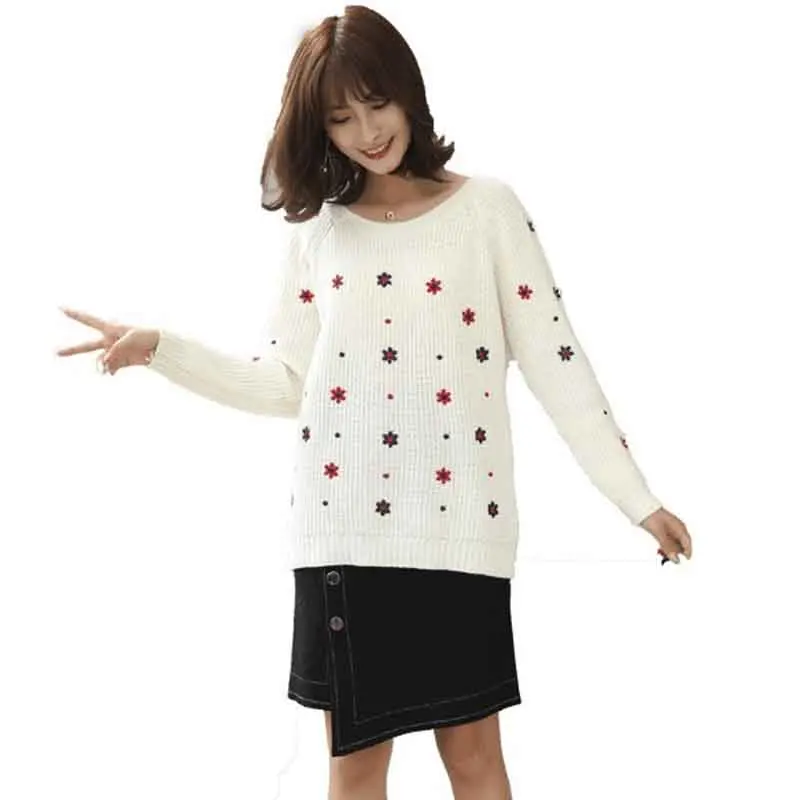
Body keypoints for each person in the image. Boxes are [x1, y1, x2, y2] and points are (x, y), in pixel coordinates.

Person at [56, 5, 693, 798]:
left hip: (461, 532)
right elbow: (286, 382)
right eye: (339, 117)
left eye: (376, 102)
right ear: (318, 128)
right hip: (345, 536)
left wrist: (637, 500)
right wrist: (162, 349)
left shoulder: (488, 211)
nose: (366, 131)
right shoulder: (319, 232)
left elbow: (558, 365)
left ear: (408, 92)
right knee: (356, 769)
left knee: (475, 762)